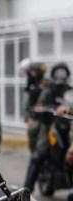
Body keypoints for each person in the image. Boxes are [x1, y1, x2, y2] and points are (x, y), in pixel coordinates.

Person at [24, 62, 72, 193]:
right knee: (38, 154)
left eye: (63, 72)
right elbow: (38, 106)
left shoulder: (69, 90)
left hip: (67, 125)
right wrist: (44, 109)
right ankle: (26, 191)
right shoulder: (48, 90)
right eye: (58, 72)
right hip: (50, 125)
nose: (60, 75)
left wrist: (68, 109)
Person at [19, 58, 49, 153]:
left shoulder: (49, 86)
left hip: (46, 125)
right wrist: (28, 118)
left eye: (33, 72)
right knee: (34, 151)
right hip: (34, 125)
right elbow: (28, 106)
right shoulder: (33, 87)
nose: (31, 74)